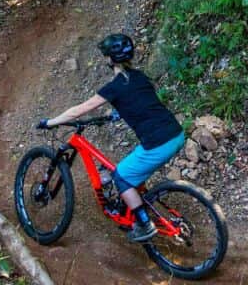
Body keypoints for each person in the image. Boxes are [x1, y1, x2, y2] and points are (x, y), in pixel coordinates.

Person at [37, 34, 185, 243]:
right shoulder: (140, 77)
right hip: (176, 134)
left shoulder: (114, 87)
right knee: (132, 168)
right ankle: (135, 204)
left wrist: (51, 122)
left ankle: (144, 224)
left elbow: (79, 110)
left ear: (110, 59)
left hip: (158, 144)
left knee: (121, 176)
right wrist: (114, 114)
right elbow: (142, 103)